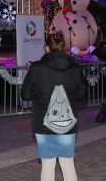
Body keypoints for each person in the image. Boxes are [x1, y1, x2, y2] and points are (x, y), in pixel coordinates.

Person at [21, 33, 86, 181]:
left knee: (47, 165)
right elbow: (82, 95)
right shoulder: (75, 68)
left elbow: (25, 94)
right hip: (67, 122)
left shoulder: (36, 68)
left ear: (47, 47)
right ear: (63, 47)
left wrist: (38, 94)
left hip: (43, 122)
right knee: (67, 163)